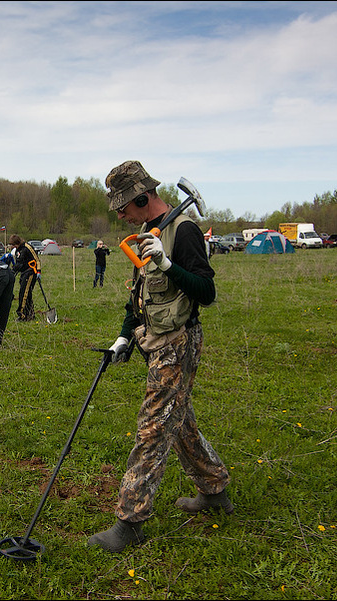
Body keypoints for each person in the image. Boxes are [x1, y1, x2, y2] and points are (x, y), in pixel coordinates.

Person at [88, 160, 231, 554]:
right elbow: (139, 294)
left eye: (123, 206)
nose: (119, 214)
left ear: (142, 197)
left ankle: (130, 522)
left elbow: (206, 291)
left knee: (153, 427)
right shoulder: (146, 233)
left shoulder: (182, 231)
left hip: (179, 342)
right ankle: (215, 490)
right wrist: (122, 337)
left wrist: (168, 264)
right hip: (154, 339)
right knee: (178, 420)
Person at [9, 234, 40, 321]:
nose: (12, 246)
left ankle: (23, 315)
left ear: (17, 243)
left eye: (13, 244)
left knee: (24, 294)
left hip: (30, 272)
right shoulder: (17, 250)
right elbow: (19, 263)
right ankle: (30, 314)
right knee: (28, 294)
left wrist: (38, 271)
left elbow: (37, 259)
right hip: (23, 273)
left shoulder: (27, 247)